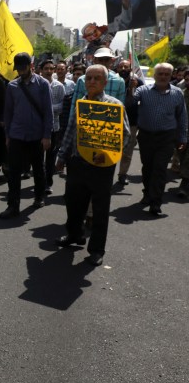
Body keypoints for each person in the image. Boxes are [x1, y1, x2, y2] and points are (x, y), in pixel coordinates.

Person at [55, 65, 129, 266]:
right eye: (89, 78)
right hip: (77, 162)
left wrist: (105, 155)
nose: (92, 81)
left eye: (97, 78)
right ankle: (74, 235)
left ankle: (96, 249)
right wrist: (61, 157)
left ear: (105, 82)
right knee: (73, 202)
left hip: (102, 167)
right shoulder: (80, 104)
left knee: (99, 208)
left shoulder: (114, 106)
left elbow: (125, 135)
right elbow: (70, 131)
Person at [0, 52, 53, 219]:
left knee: (38, 169)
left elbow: (48, 112)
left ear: (31, 66)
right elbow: (8, 112)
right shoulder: (12, 86)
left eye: (23, 68)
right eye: (18, 69)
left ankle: (39, 197)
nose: (20, 72)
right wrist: (8, 135)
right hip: (16, 134)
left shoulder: (43, 84)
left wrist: (47, 136)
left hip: (36, 136)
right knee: (13, 172)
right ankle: (12, 206)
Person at [133, 63, 188, 215]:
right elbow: (130, 102)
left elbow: (182, 117)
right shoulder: (143, 91)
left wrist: (182, 138)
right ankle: (147, 193)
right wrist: (130, 87)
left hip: (166, 138)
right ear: (155, 75)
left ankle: (156, 202)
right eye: (160, 74)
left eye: (166, 74)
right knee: (148, 167)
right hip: (146, 136)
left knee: (160, 169)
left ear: (171, 76)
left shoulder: (177, 93)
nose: (163, 77)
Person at [39, 59, 67, 195]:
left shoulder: (59, 86)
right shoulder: (36, 85)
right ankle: (39, 183)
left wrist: (46, 108)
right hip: (38, 128)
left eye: (51, 69)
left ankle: (48, 184)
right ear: (41, 70)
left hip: (54, 127)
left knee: (50, 159)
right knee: (38, 159)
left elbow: (61, 107)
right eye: (46, 68)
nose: (49, 71)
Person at [116, 59, 143, 185]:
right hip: (114, 120)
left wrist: (134, 88)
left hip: (131, 122)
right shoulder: (114, 82)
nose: (123, 69)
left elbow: (142, 100)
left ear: (130, 69)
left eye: (125, 67)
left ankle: (122, 174)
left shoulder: (138, 82)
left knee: (128, 150)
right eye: (120, 67)